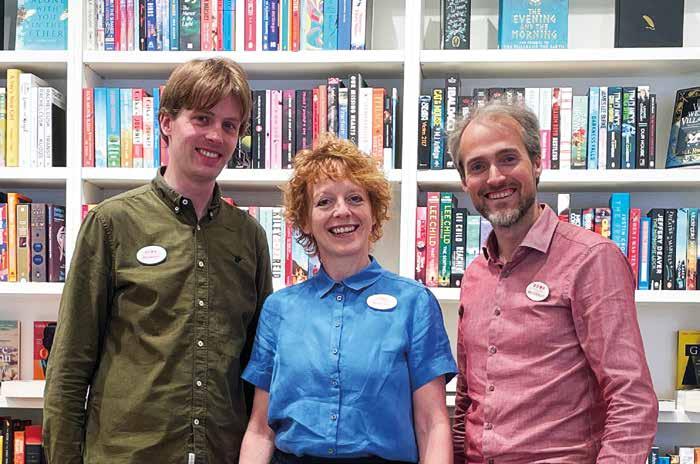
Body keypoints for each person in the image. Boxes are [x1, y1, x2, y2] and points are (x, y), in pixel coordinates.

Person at [43, 58, 273, 464]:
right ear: (167, 122)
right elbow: (69, 366)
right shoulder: (111, 223)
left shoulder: (249, 236)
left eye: (229, 125)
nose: (215, 136)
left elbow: (257, 369)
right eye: (202, 118)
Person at [448, 102, 658, 463]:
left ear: (537, 162)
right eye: (478, 166)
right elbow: (468, 399)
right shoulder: (475, 274)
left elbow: (631, 399)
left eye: (508, 159)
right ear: (465, 181)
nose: (495, 177)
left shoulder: (591, 258)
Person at [239, 135, 457, 464]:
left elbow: (433, 424)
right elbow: (260, 430)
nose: (342, 211)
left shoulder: (414, 303)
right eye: (324, 202)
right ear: (305, 221)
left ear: (374, 212)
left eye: (355, 198)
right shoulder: (279, 309)